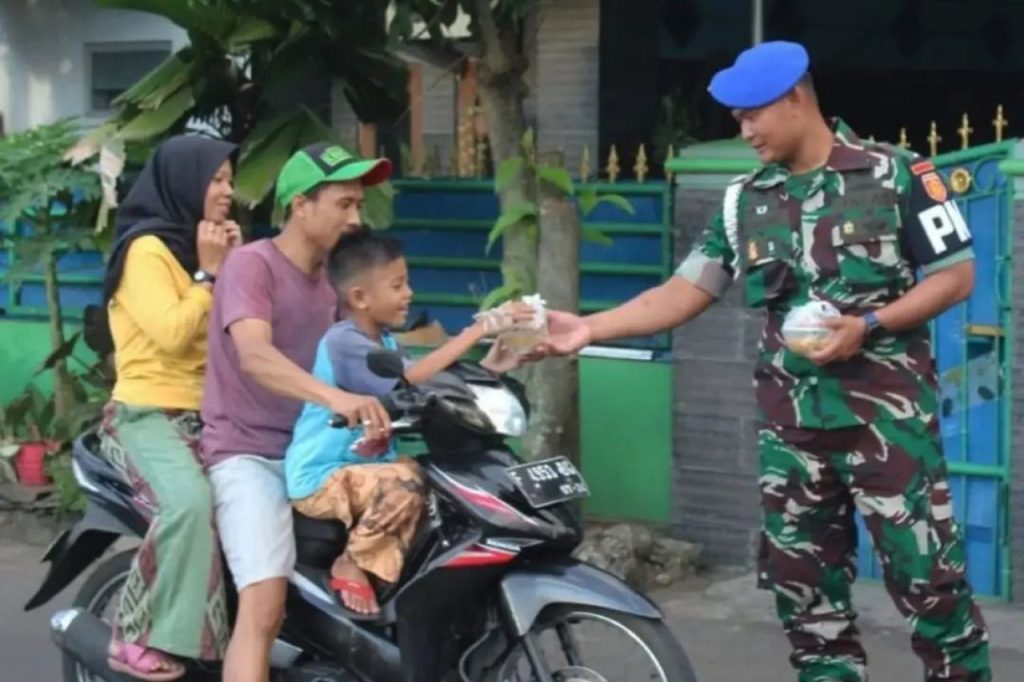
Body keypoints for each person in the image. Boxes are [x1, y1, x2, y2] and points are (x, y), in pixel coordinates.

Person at [538, 41, 991, 682]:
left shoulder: (899, 175)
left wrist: (868, 324)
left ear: (796, 99)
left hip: (889, 433)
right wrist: (586, 327)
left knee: (933, 593)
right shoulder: (743, 201)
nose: (744, 129)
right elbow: (683, 291)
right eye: (737, 118)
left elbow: (956, 275)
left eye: (753, 113)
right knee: (808, 610)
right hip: (793, 438)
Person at [200, 143, 396, 682]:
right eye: (343, 203)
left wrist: (484, 351)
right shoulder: (251, 265)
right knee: (265, 603)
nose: (355, 218)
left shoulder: (333, 283)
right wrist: (336, 399)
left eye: (359, 204)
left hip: (311, 452)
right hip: (249, 453)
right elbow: (256, 356)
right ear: (300, 206)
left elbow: (375, 353)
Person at [285, 231, 531, 615]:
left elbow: (428, 387)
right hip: (322, 476)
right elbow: (410, 379)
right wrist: (477, 331)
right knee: (407, 484)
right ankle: (352, 561)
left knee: (441, 483)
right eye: (397, 285)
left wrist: (489, 368)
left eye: (407, 283)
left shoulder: (385, 343)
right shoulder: (344, 343)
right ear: (360, 298)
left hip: (365, 470)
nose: (409, 294)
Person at [98, 135, 239, 680]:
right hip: (146, 415)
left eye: (230, 180)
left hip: (209, 418)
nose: (227, 191)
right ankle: (130, 633)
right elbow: (173, 335)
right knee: (188, 504)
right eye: (217, 179)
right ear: (184, 183)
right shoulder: (146, 250)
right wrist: (208, 274)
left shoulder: (201, 249)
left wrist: (232, 269)